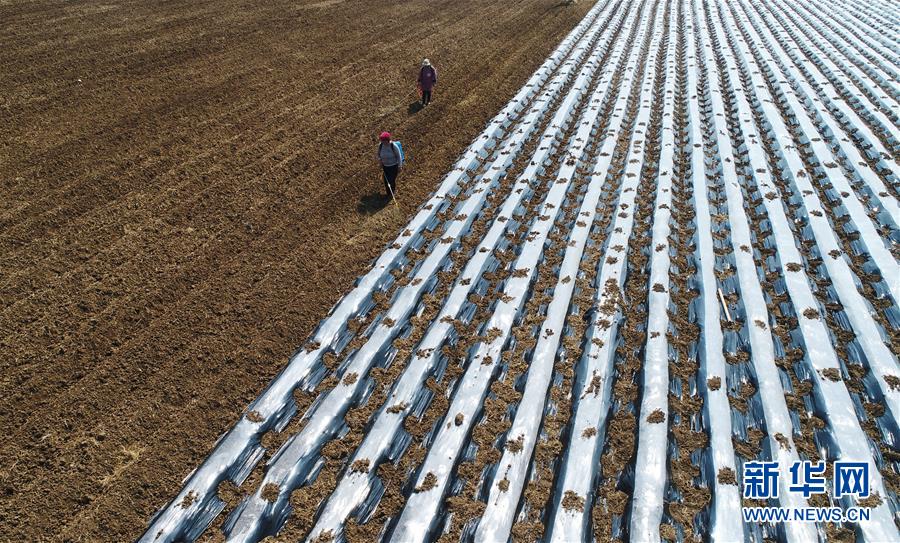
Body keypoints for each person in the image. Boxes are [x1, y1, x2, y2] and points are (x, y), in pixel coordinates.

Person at [377, 131, 402, 198]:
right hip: (385, 166)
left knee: (391, 180)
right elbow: (378, 155)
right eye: (382, 140)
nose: (382, 142)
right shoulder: (380, 145)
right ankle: (388, 194)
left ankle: (392, 193)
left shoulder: (393, 146)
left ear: (388, 140)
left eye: (384, 141)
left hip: (394, 166)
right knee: (386, 181)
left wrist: (400, 166)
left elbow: (399, 156)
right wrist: (380, 161)